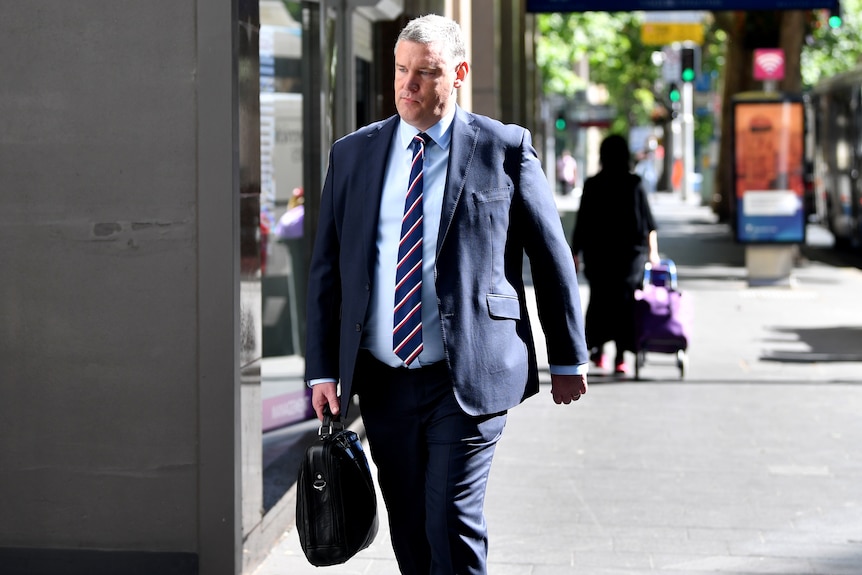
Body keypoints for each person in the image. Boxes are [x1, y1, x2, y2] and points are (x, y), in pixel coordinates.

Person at [304, 14, 589, 575]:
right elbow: (327, 270)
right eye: (401, 70)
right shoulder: (354, 154)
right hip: (382, 379)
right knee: (409, 529)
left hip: (468, 374)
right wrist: (321, 371)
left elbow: (551, 256)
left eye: (425, 73)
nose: (407, 86)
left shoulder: (504, 149)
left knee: (450, 523)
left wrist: (568, 356)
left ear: (458, 73)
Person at [571, 134, 660, 375]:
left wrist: (575, 252)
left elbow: (583, 222)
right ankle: (621, 356)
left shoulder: (593, 184)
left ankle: (598, 350)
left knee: (600, 300)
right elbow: (648, 223)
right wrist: (654, 254)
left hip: (599, 255)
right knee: (625, 303)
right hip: (630, 258)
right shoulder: (634, 183)